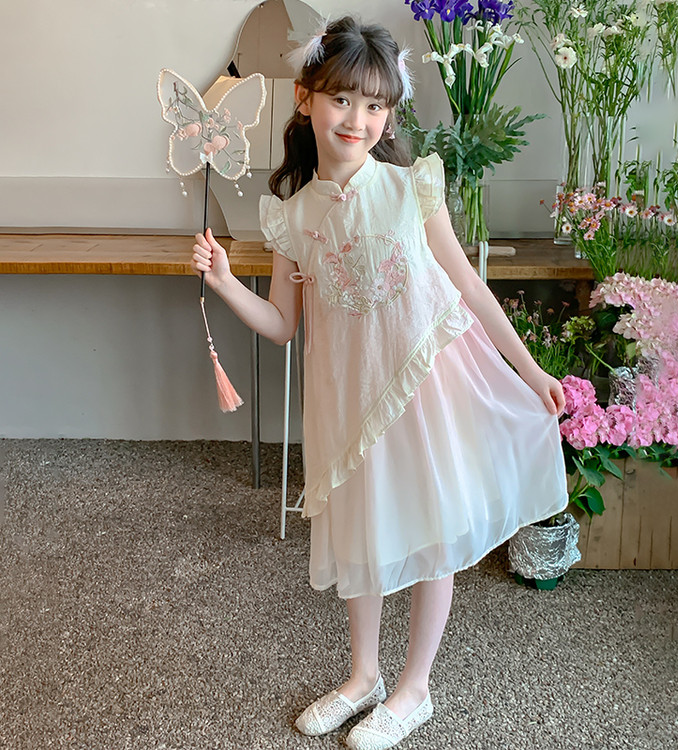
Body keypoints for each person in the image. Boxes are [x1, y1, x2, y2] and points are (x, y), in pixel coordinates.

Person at [191, 15, 568, 750]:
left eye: (374, 105)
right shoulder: (293, 217)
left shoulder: (409, 189)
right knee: (360, 532)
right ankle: (363, 675)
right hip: (345, 397)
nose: (357, 120)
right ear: (305, 99)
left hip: (420, 391)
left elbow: (470, 288)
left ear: (390, 112)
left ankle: (413, 689)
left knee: (431, 527)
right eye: (341, 100)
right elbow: (282, 324)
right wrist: (227, 282)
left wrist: (530, 369)